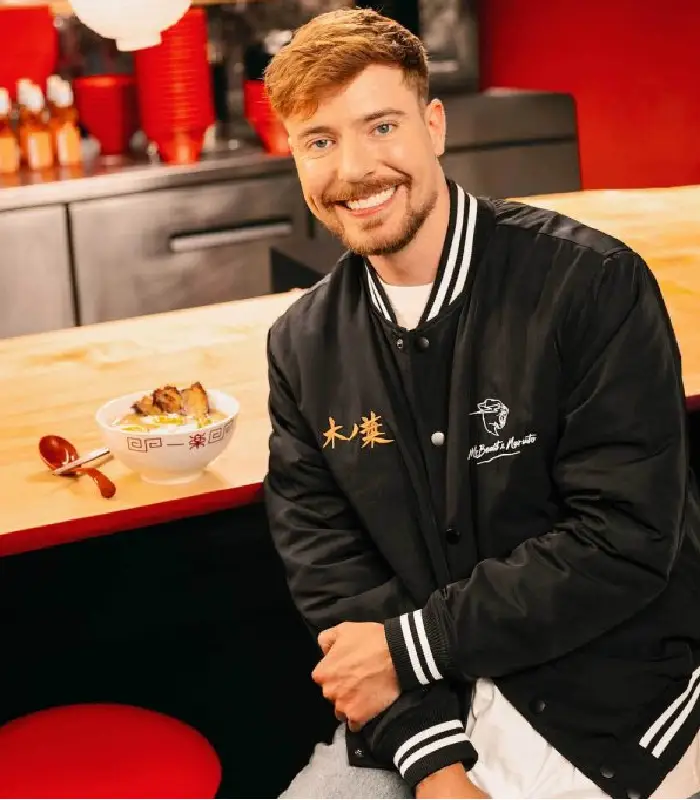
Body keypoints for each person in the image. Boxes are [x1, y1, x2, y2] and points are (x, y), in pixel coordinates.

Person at [262, 8, 700, 799]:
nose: (354, 169)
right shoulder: (300, 346)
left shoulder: (591, 286)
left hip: (611, 704)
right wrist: (434, 765)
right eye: (318, 141)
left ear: (434, 126)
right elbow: (335, 580)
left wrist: (412, 645)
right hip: (426, 710)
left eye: (381, 126)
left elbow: (625, 540)